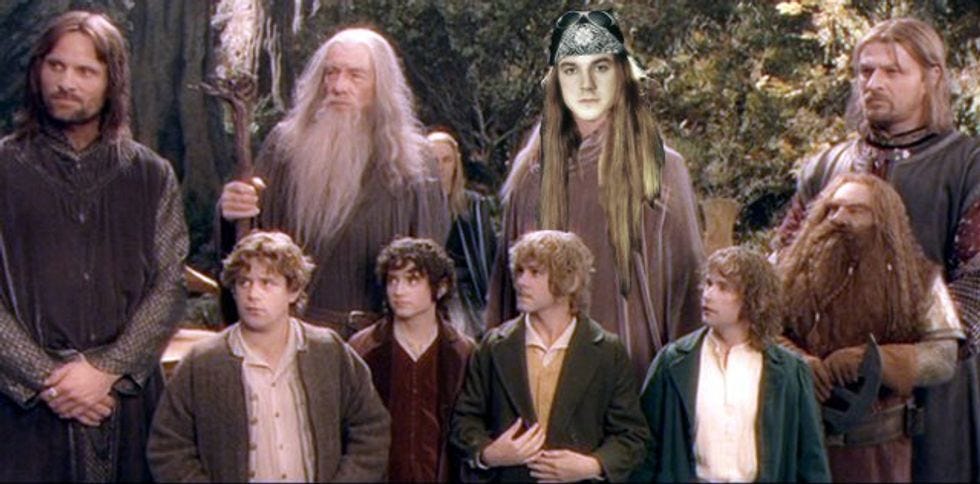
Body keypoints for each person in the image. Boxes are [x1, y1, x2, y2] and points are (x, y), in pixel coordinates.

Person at [775, 18, 980, 481]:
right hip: (823, 394)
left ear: (931, 77)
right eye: (866, 71)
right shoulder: (827, 167)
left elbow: (976, 285)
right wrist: (796, 354)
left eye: (893, 70)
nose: (874, 83)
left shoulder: (967, 165)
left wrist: (906, 359)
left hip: (934, 401)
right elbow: (783, 268)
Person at [0, 10, 188, 481]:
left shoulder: (150, 175)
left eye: (86, 71)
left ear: (112, 82)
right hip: (21, 414)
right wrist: (49, 380)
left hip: (125, 406)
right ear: (37, 71)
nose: (66, 82)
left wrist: (106, 371)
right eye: (56, 66)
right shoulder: (4, 168)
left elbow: (169, 286)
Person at [486, 9, 704, 379]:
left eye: (600, 67)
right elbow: (504, 294)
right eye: (571, 69)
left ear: (621, 76)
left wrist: (683, 385)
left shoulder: (661, 169)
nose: (585, 83)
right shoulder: (530, 175)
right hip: (541, 372)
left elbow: (688, 289)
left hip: (633, 372)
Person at [218, 27, 449, 336]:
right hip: (289, 337)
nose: (339, 86)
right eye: (331, 73)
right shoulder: (285, 147)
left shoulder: (414, 161)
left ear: (380, 86)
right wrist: (231, 211)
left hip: (373, 344)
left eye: (355, 75)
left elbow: (428, 268)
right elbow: (247, 247)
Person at [147, 231, 390, 481]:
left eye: (267, 283)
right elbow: (168, 448)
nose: (253, 294)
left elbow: (372, 428)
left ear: (292, 290)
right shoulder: (203, 362)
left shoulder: (328, 351)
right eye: (244, 282)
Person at [778, 174, 962, 481]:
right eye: (832, 209)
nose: (838, 218)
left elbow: (943, 357)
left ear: (882, 221)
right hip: (798, 443)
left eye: (855, 210)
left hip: (878, 455)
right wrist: (794, 360)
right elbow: (756, 331)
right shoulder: (789, 272)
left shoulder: (920, 281)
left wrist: (873, 359)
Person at [451, 230, 649, 482]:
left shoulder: (607, 351)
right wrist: (489, 454)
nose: (521, 281)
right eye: (519, 271)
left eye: (535, 273)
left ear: (570, 281)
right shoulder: (495, 346)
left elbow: (632, 435)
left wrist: (592, 465)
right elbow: (465, 421)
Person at [633, 246, 830, 482]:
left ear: (754, 300)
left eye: (723, 287)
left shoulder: (790, 372)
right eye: (708, 283)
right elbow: (645, 450)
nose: (708, 294)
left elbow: (811, 461)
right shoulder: (673, 362)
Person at [349, 237, 475, 481]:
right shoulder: (363, 347)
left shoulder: (462, 352)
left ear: (441, 287)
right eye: (392, 280)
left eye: (412, 280)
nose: (399, 291)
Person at [427, 129, 496, 337]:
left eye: (446, 160)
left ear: (456, 164)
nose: (440, 167)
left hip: (466, 295)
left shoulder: (474, 205)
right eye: (434, 160)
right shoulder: (412, 205)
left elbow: (488, 258)